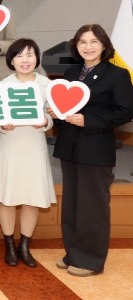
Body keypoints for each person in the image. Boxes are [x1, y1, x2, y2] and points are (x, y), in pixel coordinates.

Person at [49, 24, 133, 277]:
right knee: (72, 205)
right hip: (69, 147)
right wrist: (57, 113)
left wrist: (89, 121)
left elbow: (125, 112)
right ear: (76, 46)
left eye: (94, 42)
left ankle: (90, 260)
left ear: (104, 45)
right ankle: (73, 253)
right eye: (83, 42)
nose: (88, 47)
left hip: (96, 148)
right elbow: (65, 105)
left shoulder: (117, 74)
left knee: (92, 207)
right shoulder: (71, 72)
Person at [0, 38, 55, 267]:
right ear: (11, 60)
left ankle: (24, 246)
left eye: (30, 55)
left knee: (31, 197)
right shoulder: (2, 86)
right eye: (19, 55)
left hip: (35, 146)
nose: (25, 60)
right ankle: (9, 245)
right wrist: (1, 124)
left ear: (37, 58)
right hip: (9, 145)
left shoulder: (47, 85)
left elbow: (52, 117)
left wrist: (46, 121)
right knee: (7, 197)